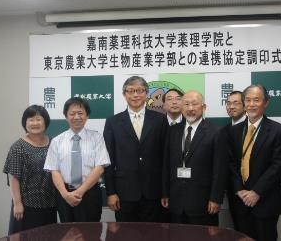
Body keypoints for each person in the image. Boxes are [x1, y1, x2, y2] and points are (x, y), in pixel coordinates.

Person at [222, 84, 281, 241]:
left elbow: (278, 166)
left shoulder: (278, 131)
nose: (251, 104)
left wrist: (256, 192)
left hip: (265, 201)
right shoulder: (234, 131)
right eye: (248, 100)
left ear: (266, 102)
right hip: (239, 202)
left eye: (256, 100)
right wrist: (238, 189)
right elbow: (230, 163)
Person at [103, 76, 168, 222]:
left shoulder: (160, 119)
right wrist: (111, 193)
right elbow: (107, 160)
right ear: (124, 94)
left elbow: (165, 158)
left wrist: (165, 192)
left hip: (153, 193)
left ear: (146, 93)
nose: (135, 95)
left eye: (139, 90)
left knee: (153, 235)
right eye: (130, 91)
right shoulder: (113, 122)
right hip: (124, 193)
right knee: (126, 235)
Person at [162, 90, 226, 226]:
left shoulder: (216, 132)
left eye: (194, 104)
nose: (190, 108)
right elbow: (166, 165)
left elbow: (220, 169)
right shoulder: (173, 131)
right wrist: (165, 193)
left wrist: (215, 198)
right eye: (186, 104)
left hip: (203, 203)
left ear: (204, 107)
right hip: (176, 201)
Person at [44, 97, 110, 222]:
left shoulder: (97, 138)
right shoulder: (57, 141)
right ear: (66, 116)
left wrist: (80, 191)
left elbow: (100, 167)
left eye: (80, 113)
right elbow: (54, 170)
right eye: (72, 113)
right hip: (64, 194)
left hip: (89, 193)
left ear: (87, 115)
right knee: (68, 233)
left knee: (91, 233)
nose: (76, 117)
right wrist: (65, 194)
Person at [3, 105, 57, 234]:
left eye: (38, 119)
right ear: (25, 123)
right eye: (31, 120)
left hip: (49, 204)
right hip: (27, 205)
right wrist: (17, 204)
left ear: (45, 122)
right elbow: (14, 177)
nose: (35, 123)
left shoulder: (53, 142)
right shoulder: (18, 146)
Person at [224, 90, 246, 229]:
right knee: (239, 231)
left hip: (258, 194)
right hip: (233, 192)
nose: (231, 106)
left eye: (236, 103)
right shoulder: (223, 131)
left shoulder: (255, 128)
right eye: (228, 103)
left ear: (245, 105)